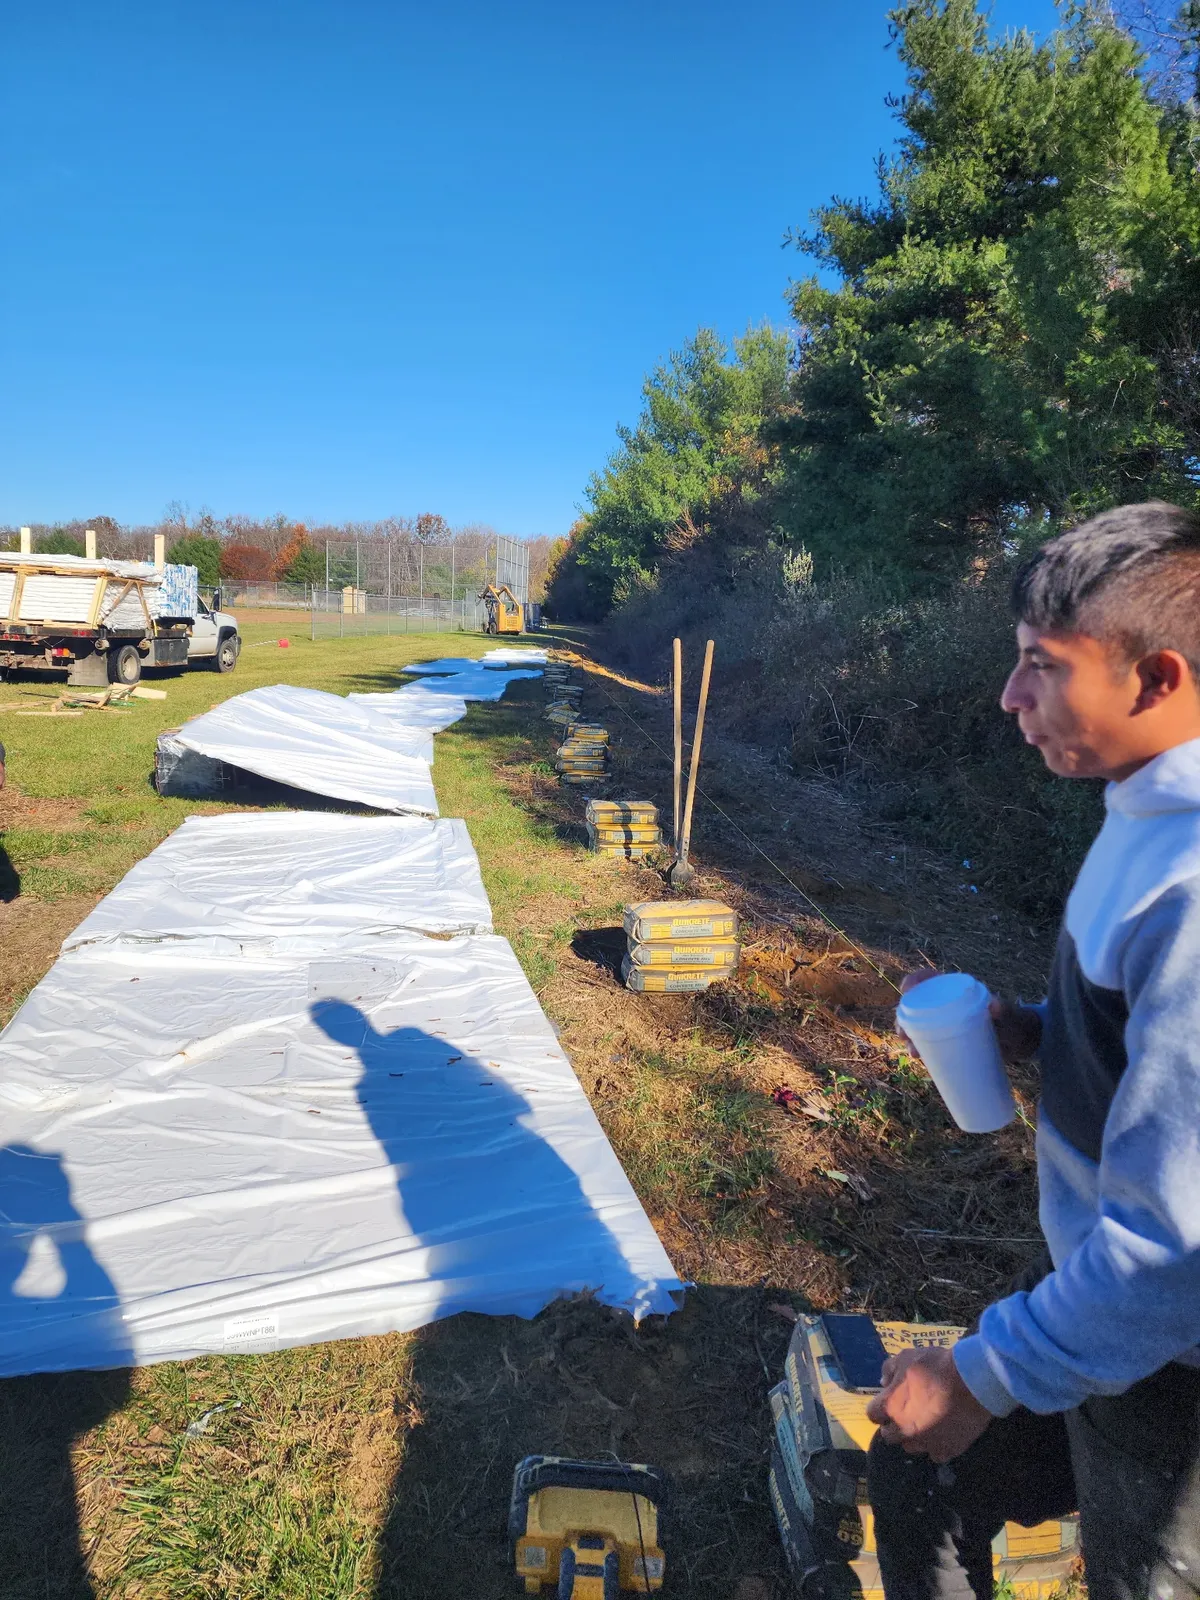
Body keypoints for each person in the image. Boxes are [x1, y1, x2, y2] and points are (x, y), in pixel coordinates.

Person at [867, 501, 1200, 1600]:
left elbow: (1175, 1249)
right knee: (919, 1471)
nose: (1010, 697)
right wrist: (1032, 1032)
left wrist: (982, 1372)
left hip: (1170, 1363)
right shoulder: (1141, 814)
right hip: (1105, 1305)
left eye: (1040, 667)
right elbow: (1151, 1053)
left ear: (1156, 681)